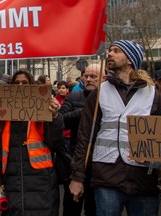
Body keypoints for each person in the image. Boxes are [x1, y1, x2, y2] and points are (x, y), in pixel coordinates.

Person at [69, 40, 161, 216]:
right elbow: (85, 137)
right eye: (110, 50)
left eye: (116, 51)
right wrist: (77, 177)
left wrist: (155, 163)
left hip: (143, 179)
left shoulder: (154, 95)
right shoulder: (99, 94)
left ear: (130, 59)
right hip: (107, 177)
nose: (110, 54)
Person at [0, 69, 64, 215]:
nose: (20, 85)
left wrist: (55, 116)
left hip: (41, 180)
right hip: (12, 181)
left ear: (32, 85)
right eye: (16, 83)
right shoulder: (5, 116)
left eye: (24, 82)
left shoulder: (43, 111)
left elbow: (55, 142)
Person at [59, 63, 104, 216]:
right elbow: (62, 120)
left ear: (103, 78)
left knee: (94, 208)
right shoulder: (74, 96)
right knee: (72, 206)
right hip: (76, 159)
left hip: (100, 163)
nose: (89, 79)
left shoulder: (108, 99)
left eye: (93, 76)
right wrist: (85, 111)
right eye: (86, 76)